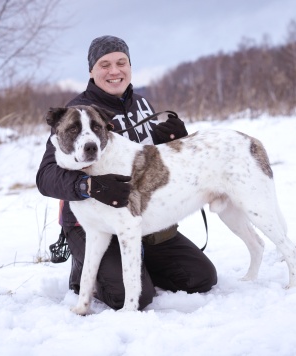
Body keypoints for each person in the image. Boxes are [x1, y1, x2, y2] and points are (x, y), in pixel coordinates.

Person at [36, 35, 217, 310]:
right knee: (131, 297)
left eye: (121, 62)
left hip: (137, 216)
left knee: (200, 278)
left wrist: (173, 142)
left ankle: (137, 266)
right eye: (105, 64)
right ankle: (86, 274)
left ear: (130, 67)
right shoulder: (76, 113)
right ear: (91, 71)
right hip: (90, 222)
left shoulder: (142, 104)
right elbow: (46, 176)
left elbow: (149, 163)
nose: (114, 71)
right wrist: (89, 185)